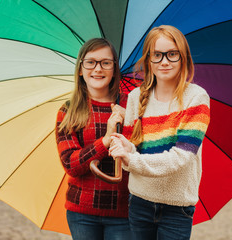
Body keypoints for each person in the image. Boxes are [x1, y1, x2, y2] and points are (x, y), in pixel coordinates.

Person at [109, 25, 211, 239]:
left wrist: (131, 159)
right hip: (139, 202)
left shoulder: (196, 98)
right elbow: (133, 148)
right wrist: (123, 145)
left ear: (183, 57)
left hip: (177, 209)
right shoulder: (136, 97)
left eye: (172, 54)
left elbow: (180, 158)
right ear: (148, 60)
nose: (164, 62)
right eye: (157, 55)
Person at [55, 38, 130, 240]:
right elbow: (70, 163)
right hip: (82, 211)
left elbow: (140, 153)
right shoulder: (69, 111)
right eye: (91, 62)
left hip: (125, 210)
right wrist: (105, 141)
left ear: (114, 69)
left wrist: (128, 124)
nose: (98, 68)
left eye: (106, 62)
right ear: (80, 69)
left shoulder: (130, 106)